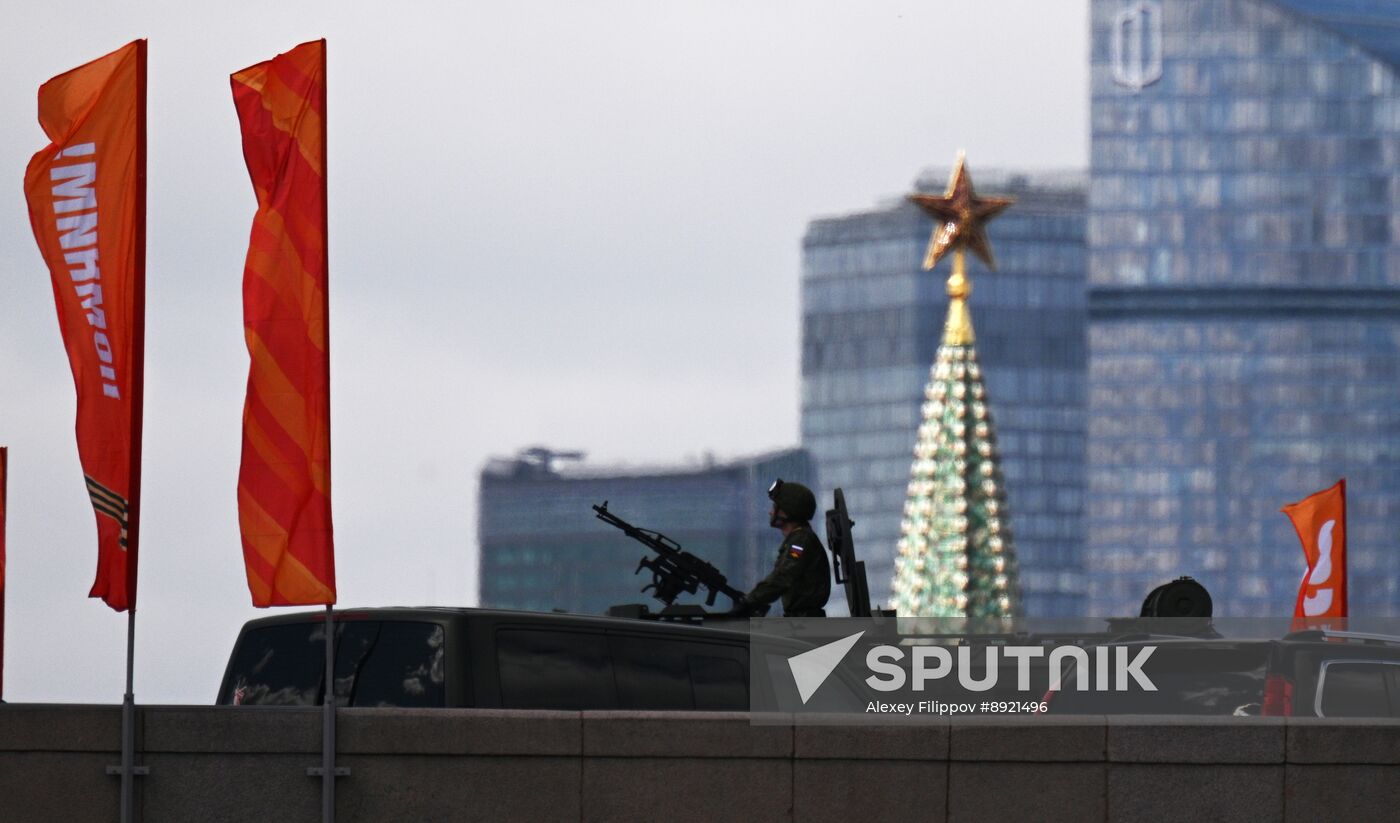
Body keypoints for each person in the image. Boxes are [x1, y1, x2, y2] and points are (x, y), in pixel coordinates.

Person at [735, 479, 831, 617]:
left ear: (786, 512)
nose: (770, 512)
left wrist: (750, 601)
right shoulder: (799, 538)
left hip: (804, 623)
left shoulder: (800, 542)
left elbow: (783, 576)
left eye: (774, 507)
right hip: (800, 620)